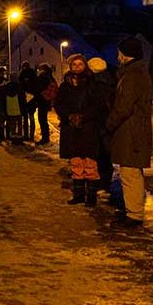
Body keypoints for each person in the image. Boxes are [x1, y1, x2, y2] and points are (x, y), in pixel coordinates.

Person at [105, 36, 153, 227]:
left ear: (126, 54)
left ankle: (134, 215)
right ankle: (133, 210)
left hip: (131, 131)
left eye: (119, 53)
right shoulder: (136, 72)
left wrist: (109, 124)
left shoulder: (132, 75)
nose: (117, 57)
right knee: (131, 172)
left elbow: (123, 107)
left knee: (130, 173)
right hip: (133, 130)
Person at [54, 54, 101, 206]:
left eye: (80, 64)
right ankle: (79, 194)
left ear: (85, 66)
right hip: (71, 129)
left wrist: (83, 116)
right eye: (74, 65)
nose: (77, 67)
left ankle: (91, 196)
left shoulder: (92, 84)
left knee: (89, 162)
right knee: (75, 162)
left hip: (88, 128)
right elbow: (58, 103)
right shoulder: (65, 85)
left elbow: (97, 105)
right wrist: (68, 116)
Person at [87, 57, 116, 197]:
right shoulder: (111, 80)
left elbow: (95, 104)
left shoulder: (94, 83)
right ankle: (104, 184)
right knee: (104, 155)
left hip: (99, 123)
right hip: (105, 123)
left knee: (101, 155)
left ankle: (102, 184)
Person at [32, 63, 56, 145]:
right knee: (43, 119)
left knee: (42, 119)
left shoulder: (43, 77)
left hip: (42, 100)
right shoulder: (51, 77)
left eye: (40, 69)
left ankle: (45, 138)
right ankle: (46, 136)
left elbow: (38, 88)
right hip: (47, 101)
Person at [18, 61, 38, 140]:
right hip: (32, 98)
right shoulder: (33, 74)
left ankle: (26, 135)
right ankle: (31, 136)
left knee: (25, 118)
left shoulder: (21, 74)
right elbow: (36, 86)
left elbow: (20, 87)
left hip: (24, 99)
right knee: (31, 117)